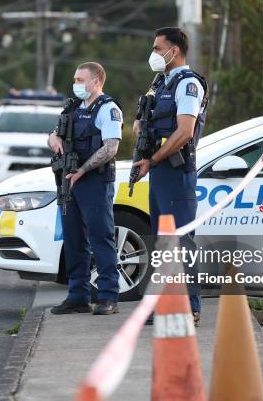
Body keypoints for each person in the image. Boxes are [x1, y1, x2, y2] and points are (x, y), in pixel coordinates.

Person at [132, 27, 208, 326]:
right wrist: (140, 126)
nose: (153, 53)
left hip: (176, 171)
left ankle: (190, 306)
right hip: (160, 171)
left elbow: (185, 132)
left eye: (156, 47)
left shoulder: (187, 84)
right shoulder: (161, 82)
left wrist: (152, 160)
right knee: (162, 242)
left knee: (181, 242)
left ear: (173, 50)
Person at [47, 62, 123, 315]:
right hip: (69, 181)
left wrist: (83, 170)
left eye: (81, 80)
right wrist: (54, 140)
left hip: (94, 181)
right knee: (73, 241)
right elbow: (53, 135)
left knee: (100, 237)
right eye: (75, 80)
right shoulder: (72, 108)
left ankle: (108, 297)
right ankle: (77, 296)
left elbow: (111, 148)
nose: (76, 84)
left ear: (97, 80)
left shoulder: (108, 109)